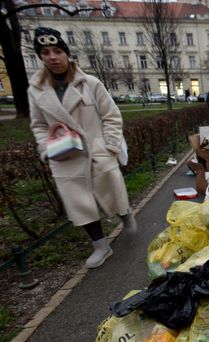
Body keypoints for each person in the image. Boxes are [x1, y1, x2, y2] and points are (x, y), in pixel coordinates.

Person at [28, 27, 136, 269]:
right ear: (41, 57)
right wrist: (46, 149)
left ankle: (126, 215)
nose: (52, 57)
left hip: (97, 151)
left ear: (66, 53)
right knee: (80, 204)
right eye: (45, 52)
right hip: (64, 156)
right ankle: (100, 246)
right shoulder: (35, 91)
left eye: (57, 50)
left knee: (114, 194)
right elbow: (38, 125)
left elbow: (112, 116)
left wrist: (109, 145)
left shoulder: (89, 83)